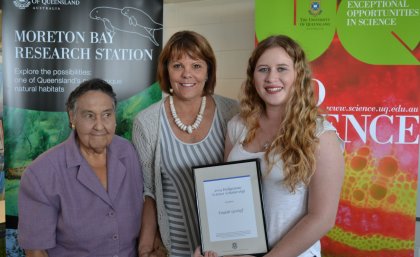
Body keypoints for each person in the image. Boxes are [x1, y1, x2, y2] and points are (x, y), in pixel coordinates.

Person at [224, 35, 345, 257]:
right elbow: (226, 198)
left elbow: (322, 218)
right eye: (263, 69)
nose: (271, 78)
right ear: (253, 77)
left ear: (298, 75)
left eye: (282, 69)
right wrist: (217, 245)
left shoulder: (321, 135)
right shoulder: (236, 126)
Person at [132, 30, 239, 257]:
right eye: (178, 65)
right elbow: (148, 193)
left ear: (208, 71)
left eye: (196, 66)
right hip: (174, 248)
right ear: (166, 71)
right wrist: (145, 248)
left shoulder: (234, 113)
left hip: (226, 248)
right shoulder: (146, 122)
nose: (186, 74)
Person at [18, 78, 144, 257]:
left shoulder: (127, 151)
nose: (99, 125)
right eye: (89, 115)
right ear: (72, 117)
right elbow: (36, 250)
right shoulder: (41, 174)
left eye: (107, 114)